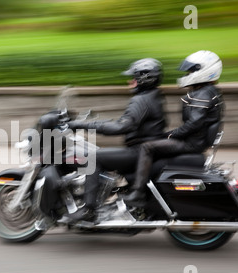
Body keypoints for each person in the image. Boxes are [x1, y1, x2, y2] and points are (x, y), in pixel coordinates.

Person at [57, 58, 167, 224]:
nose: (130, 82)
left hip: (138, 152)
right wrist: (95, 123)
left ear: (144, 79)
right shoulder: (154, 96)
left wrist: (81, 125)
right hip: (145, 149)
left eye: (134, 78)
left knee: (93, 157)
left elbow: (120, 127)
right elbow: (125, 121)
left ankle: (89, 210)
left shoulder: (141, 100)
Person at [122, 50, 225, 207]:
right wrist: (169, 134)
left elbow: (194, 123)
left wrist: (173, 135)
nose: (188, 74)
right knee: (157, 141)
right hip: (196, 140)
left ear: (206, 70)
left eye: (191, 70)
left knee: (147, 147)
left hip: (192, 143)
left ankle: (137, 192)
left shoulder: (202, 94)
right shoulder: (208, 91)